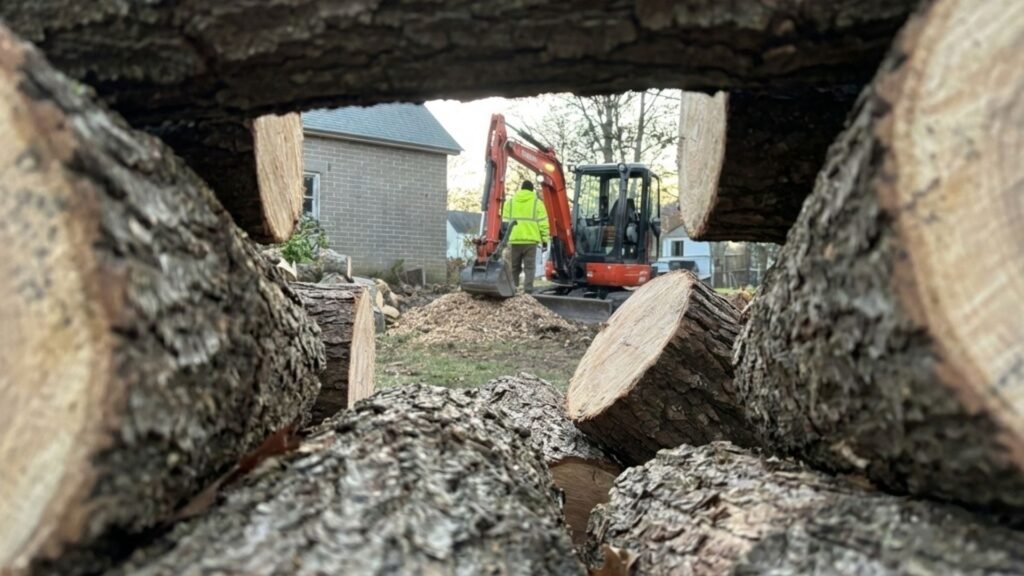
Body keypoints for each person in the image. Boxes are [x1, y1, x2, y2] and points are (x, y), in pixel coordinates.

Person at [501, 180, 549, 293]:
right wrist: (545, 240)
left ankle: (513, 289)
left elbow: (504, 223)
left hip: (514, 240)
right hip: (530, 241)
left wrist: (504, 238)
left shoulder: (510, 202)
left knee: (514, 267)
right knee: (529, 268)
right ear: (532, 190)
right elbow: (543, 223)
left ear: (521, 189)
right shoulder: (537, 203)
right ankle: (528, 290)